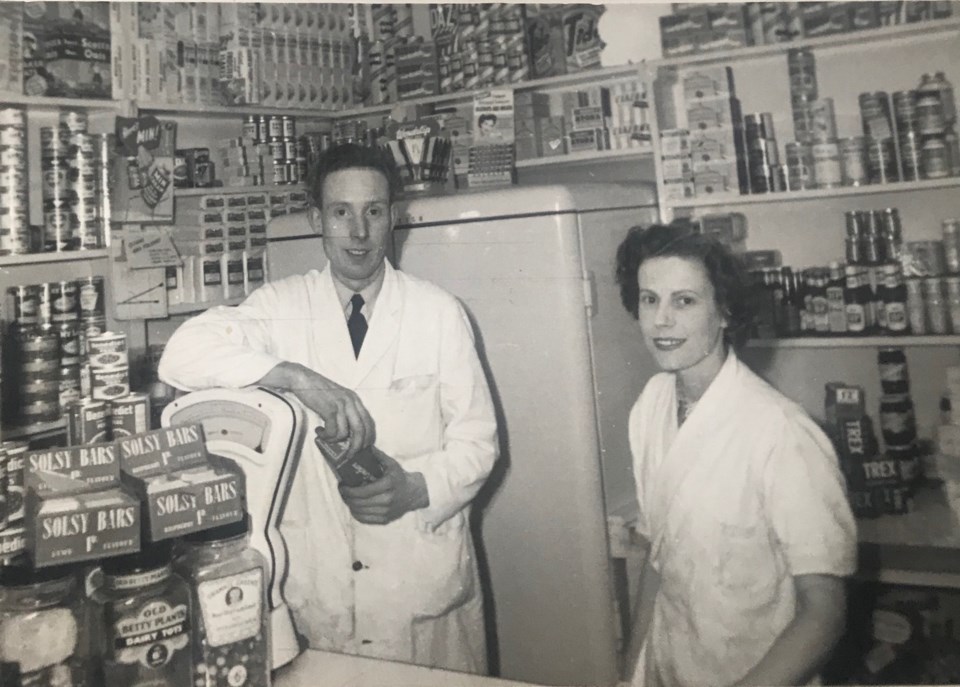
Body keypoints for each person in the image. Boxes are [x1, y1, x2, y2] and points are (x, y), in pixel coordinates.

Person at [158, 142, 498, 673]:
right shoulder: (279, 307)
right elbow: (181, 355)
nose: (358, 233)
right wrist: (297, 377)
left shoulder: (439, 313)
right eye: (341, 213)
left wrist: (416, 488)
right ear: (317, 218)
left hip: (419, 590)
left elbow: (479, 444)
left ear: (394, 218)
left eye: (374, 212)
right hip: (318, 596)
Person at [615, 224, 857, 687]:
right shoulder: (652, 404)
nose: (661, 320)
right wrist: (630, 671)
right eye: (650, 299)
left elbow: (824, 612)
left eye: (684, 301)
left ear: (724, 311)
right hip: (668, 665)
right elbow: (656, 555)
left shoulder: (781, 433)